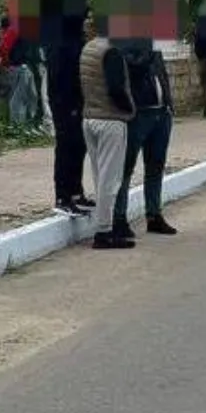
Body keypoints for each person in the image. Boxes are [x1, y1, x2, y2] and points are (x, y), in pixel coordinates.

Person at [79, 17, 138, 250]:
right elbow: (116, 88)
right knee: (110, 180)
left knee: (99, 176)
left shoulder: (88, 48)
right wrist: (129, 109)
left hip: (90, 117)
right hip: (111, 120)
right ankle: (104, 231)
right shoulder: (111, 51)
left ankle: (105, 227)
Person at [117, 36, 177, 237]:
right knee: (126, 166)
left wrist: (168, 102)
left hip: (161, 111)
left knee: (156, 164)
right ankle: (119, 218)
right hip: (139, 112)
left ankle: (154, 214)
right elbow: (134, 69)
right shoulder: (124, 42)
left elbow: (160, 72)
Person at [48, 10, 95, 215]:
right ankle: (62, 196)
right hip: (65, 104)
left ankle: (76, 192)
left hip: (79, 102)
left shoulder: (77, 41)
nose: (87, 22)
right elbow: (60, 78)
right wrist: (69, 104)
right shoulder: (62, 44)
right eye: (85, 18)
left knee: (79, 147)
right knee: (66, 148)